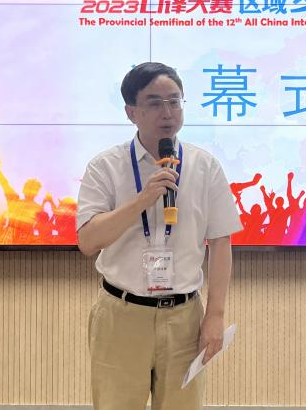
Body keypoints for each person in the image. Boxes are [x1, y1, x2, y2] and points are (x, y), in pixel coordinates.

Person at [76, 62, 243, 410]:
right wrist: (141, 200)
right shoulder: (105, 167)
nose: (167, 112)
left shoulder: (205, 166)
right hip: (121, 315)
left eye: (174, 101)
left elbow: (221, 242)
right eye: (154, 103)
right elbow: (88, 241)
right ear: (131, 112)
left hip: (184, 317)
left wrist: (215, 315)